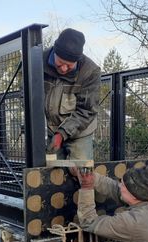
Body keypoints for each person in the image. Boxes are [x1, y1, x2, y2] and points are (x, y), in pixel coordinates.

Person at [44, 28, 101, 160]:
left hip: (80, 132)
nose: (63, 69)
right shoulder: (38, 62)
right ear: (54, 52)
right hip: (49, 130)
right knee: (50, 173)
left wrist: (62, 133)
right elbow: (26, 93)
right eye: (60, 63)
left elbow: (87, 110)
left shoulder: (90, 71)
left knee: (82, 173)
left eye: (69, 65)